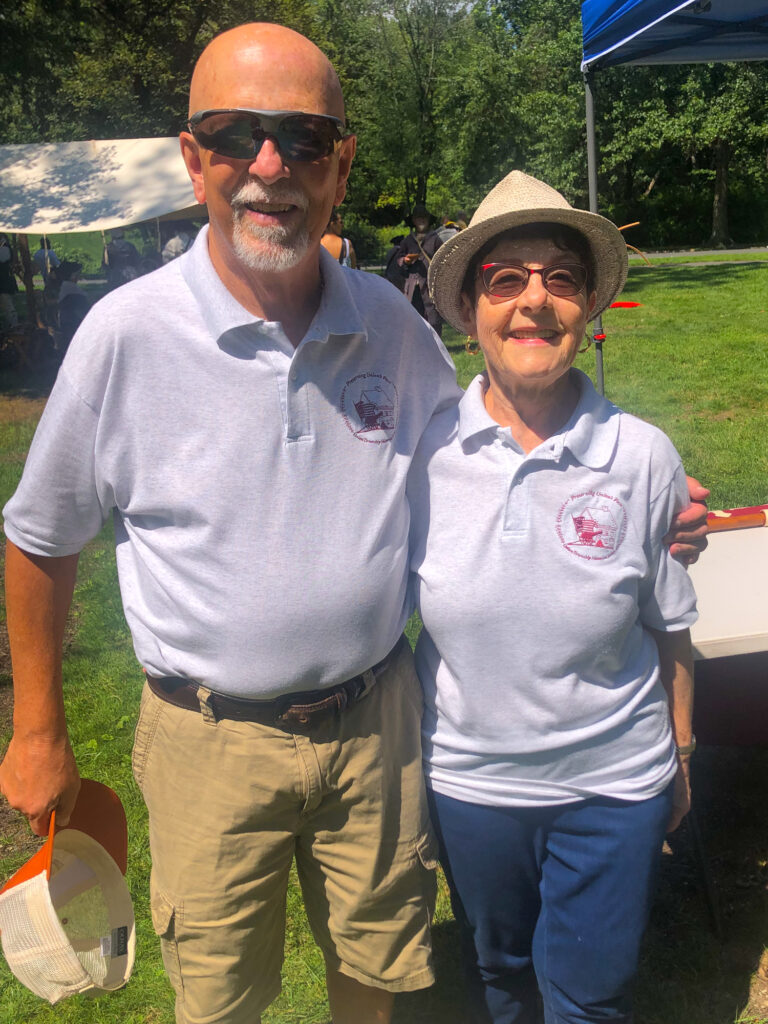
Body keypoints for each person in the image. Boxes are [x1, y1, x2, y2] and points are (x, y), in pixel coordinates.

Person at [0, 27, 706, 1024]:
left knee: (380, 984)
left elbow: (493, 444)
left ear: (341, 165)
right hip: (209, 736)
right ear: (194, 159)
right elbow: (41, 534)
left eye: (304, 138)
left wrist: (647, 502)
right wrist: (38, 730)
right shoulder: (124, 335)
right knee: (221, 998)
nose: (271, 165)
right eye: (236, 134)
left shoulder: (394, 328)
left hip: (377, 727)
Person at [407, 170, 700, 1024]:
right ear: (471, 311)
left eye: (561, 279)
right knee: (500, 974)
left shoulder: (643, 455)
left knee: (590, 997)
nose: (535, 300)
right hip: (471, 784)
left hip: (614, 783)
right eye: (507, 280)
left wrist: (682, 753)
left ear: (588, 309)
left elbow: (672, 624)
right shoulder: (422, 454)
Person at [395, 204, 444, 335]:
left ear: (428, 220)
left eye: (424, 218)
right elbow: (399, 258)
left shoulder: (435, 239)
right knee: (412, 318)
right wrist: (405, 260)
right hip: (411, 286)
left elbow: (443, 259)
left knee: (433, 318)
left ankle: (435, 343)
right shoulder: (408, 240)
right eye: (418, 218)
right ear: (413, 221)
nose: (421, 220)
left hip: (429, 286)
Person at [0, 234, 19, 330]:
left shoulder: (4, 248)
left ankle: (14, 326)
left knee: (8, 305)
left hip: (4, 282)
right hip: (4, 281)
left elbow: (3, 260)